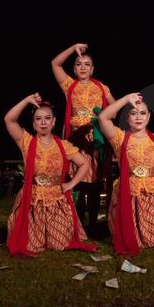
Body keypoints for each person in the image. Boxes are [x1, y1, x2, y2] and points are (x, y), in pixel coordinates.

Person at [4, 93, 96, 257]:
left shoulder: (63, 146)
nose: (43, 122)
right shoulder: (26, 141)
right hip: (32, 199)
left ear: (53, 122)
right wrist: (26, 100)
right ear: (33, 124)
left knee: (60, 244)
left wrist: (71, 184)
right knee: (31, 244)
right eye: (38, 119)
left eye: (47, 118)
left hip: (56, 199)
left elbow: (85, 163)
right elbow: (9, 120)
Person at [98, 92, 154, 255]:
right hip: (127, 192)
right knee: (127, 235)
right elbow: (103, 117)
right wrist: (125, 100)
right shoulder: (119, 137)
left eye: (143, 113)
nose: (138, 117)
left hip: (152, 192)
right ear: (127, 118)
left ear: (149, 117)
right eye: (133, 113)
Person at [51, 42, 115, 232]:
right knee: (76, 180)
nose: (83, 67)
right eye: (79, 64)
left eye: (87, 64)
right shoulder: (69, 85)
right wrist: (73, 49)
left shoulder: (102, 87)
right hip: (74, 139)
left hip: (95, 139)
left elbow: (113, 110)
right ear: (74, 68)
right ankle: (77, 223)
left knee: (95, 181)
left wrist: (97, 123)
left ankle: (93, 225)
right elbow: (55, 63)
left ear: (93, 69)